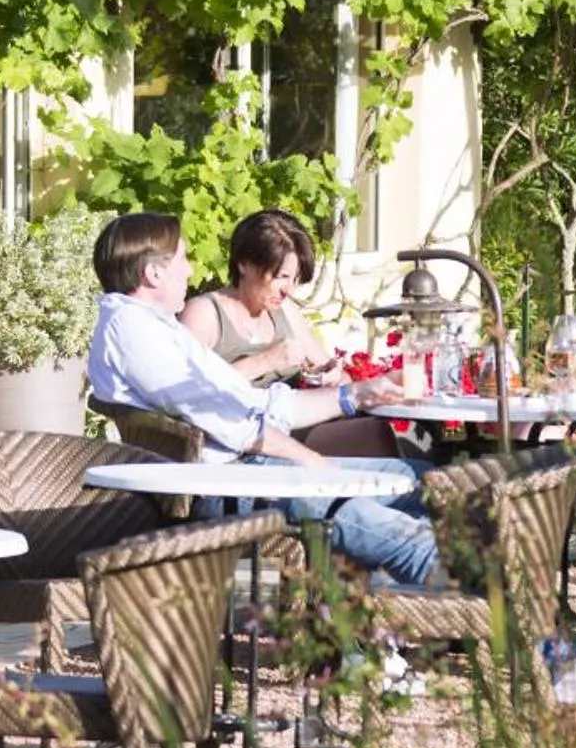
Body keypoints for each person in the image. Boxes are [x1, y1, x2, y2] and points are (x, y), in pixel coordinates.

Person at [85, 212, 443, 585]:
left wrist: (356, 393)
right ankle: (460, 613)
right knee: (395, 534)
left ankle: (375, 626)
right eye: (182, 259)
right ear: (153, 274)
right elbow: (229, 423)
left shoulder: (154, 328)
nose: (190, 272)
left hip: (247, 467)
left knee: (420, 482)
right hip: (222, 483)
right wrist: (311, 460)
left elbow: (256, 404)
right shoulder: (136, 334)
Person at [185, 210, 397, 458]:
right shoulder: (205, 313)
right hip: (241, 447)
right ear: (244, 264)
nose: (289, 290)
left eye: (295, 279)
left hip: (294, 433)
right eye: (281, 277)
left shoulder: (284, 310)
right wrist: (264, 362)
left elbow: (341, 380)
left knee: (375, 434)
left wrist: (333, 375)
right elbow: (185, 394)